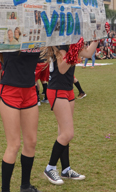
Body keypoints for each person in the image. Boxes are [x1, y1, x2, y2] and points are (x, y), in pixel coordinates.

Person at [41, 40, 98, 186]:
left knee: (63, 134)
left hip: (67, 90)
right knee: (68, 134)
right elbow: (62, 68)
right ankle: (50, 168)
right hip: (57, 89)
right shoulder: (60, 44)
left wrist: (97, 38)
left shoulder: (71, 43)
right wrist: (74, 49)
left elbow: (88, 53)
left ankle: (66, 169)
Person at [0, 43, 42, 192]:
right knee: (14, 144)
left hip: (29, 90)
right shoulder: (10, 35)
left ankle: (25, 186)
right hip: (10, 90)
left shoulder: (39, 33)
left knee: (31, 141)